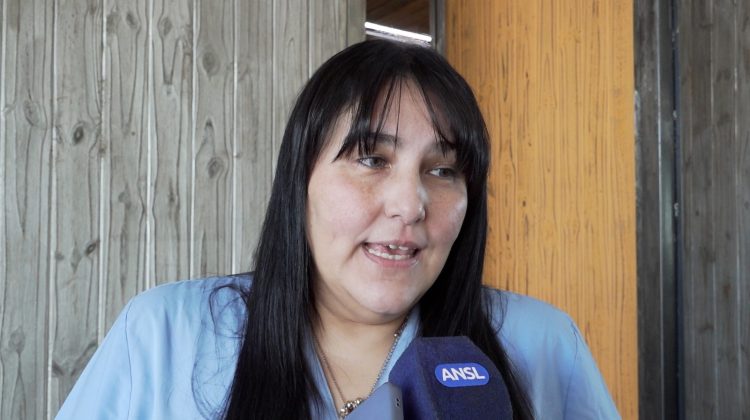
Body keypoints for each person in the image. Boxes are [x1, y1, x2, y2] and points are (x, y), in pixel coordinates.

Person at [56, 39, 619, 419]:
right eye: (372, 159)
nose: (411, 204)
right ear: (300, 179)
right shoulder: (162, 338)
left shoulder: (546, 346)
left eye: (443, 170)